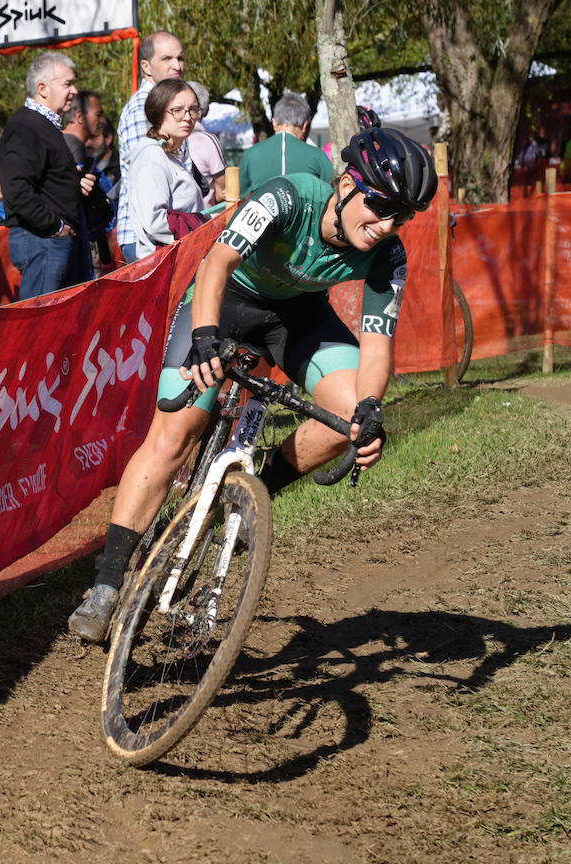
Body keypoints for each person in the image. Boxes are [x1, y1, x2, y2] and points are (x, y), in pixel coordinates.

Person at [67, 128, 436, 643]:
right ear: (348, 183)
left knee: (348, 420)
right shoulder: (287, 197)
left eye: (402, 215)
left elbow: (377, 345)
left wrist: (371, 407)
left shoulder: (388, 255)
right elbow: (217, 262)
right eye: (380, 206)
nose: (387, 224)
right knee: (175, 437)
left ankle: (249, 493)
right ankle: (106, 585)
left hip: (299, 318)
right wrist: (204, 336)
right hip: (228, 302)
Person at [0, 52, 106, 300]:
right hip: (42, 241)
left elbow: (40, 182)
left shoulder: (41, 126)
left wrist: (72, 182)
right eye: (67, 83)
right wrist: (56, 227)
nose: (74, 90)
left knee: (56, 328)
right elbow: (17, 191)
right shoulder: (26, 126)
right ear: (43, 88)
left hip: (48, 240)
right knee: (39, 330)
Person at [115, 31, 186, 263]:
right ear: (146, 66)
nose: (177, 65)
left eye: (180, 58)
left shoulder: (170, 104)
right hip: (146, 238)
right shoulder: (142, 108)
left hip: (168, 232)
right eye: (167, 59)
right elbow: (146, 178)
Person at [123, 78, 205, 259]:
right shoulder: (152, 156)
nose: (187, 117)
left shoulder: (170, 155)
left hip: (183, 257)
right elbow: (155, 222)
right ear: (159, 113)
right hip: (167, 264)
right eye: (177, 110)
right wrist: (203, 225)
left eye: (193, 109)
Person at [240, 91, 334, 194]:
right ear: (304, 125)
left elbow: (240, 196)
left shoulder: (251, 154)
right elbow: (333, 192)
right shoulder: (318, 156)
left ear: (274, 123)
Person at [185, 81, 227, 206]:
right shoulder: (207, 140)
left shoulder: (165, 138)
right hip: (204, 220)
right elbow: (223, 192)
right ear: (206, 110)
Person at [62, 91, 106, 164]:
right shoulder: (75, 146)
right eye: (98, 115)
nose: (103, 121)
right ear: (80, 117)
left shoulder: (60, 139)